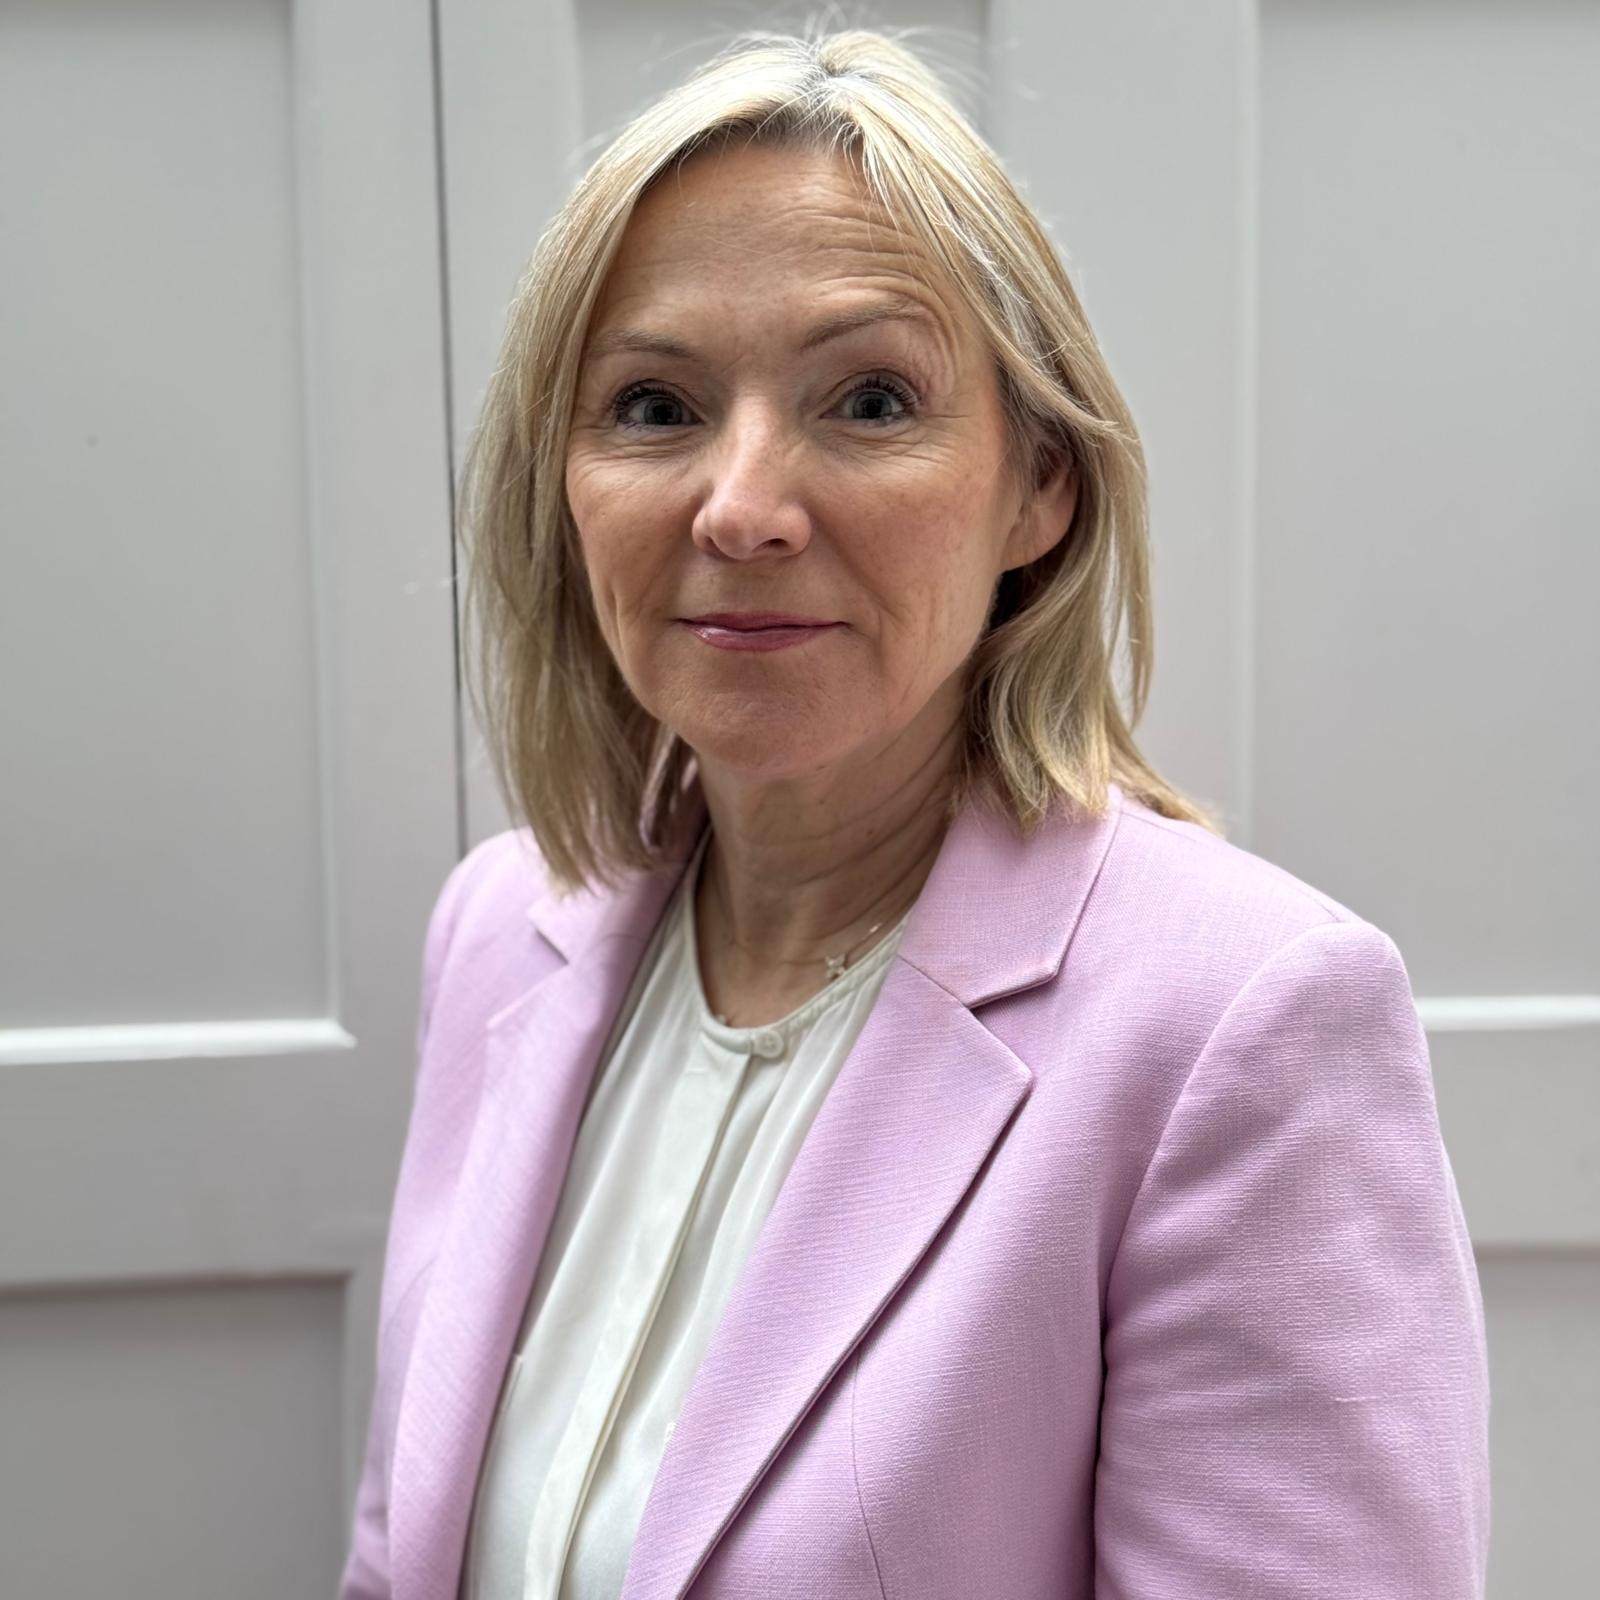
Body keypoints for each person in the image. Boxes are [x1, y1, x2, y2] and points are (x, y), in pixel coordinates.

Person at [339, 28, 1490, 1600]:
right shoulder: (500, 931)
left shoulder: (1250, 1027)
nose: (741, 507)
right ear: (563, 484)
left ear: (1042, 486)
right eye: (655, 408)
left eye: (871, 399)